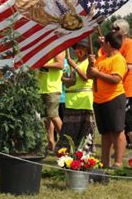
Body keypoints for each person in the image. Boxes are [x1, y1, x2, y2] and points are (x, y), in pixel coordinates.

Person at [88, 31, 128, 169]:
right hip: (99, 100)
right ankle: (104, 162)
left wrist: (98, 73)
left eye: (104, 42)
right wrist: (90, 64)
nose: (101, 44)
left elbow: (116, 79)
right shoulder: (101, 58)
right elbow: (90, 75)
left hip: (114, 99)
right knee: (105, 133)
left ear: (109, 44)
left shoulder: (118, 59)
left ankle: (118, 162)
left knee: (117, 131)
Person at [57, 39, 96, 151]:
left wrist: (74, 66)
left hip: (84, 101)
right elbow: (72, 82)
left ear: (86, 50)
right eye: (75, 48)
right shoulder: (74, 62)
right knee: (69, 130)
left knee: (84, 130)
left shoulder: (90, 62)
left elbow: (85, 77)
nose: (76, 51)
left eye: (80, 48)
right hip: (71, 101)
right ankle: (66, 151)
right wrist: (65, 79)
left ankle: (84, 152)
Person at [111, 20, 132, 149]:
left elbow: (129, 66)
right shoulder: (116, 44)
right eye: (113, 28)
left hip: (128, 87)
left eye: (116, 29)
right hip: (118, 88)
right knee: (121, 119)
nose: (113, 30)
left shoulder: (129, 44)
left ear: (123, 30)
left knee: (128, 118)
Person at [37, 51, 65, 151]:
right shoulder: (43, 48)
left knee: (53, 115)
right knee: (47, 118)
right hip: (41, 87)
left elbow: (60, 64)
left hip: (52, 88)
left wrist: (41, 64)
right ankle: (51, 143)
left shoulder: (58, 48)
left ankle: (66, 142)